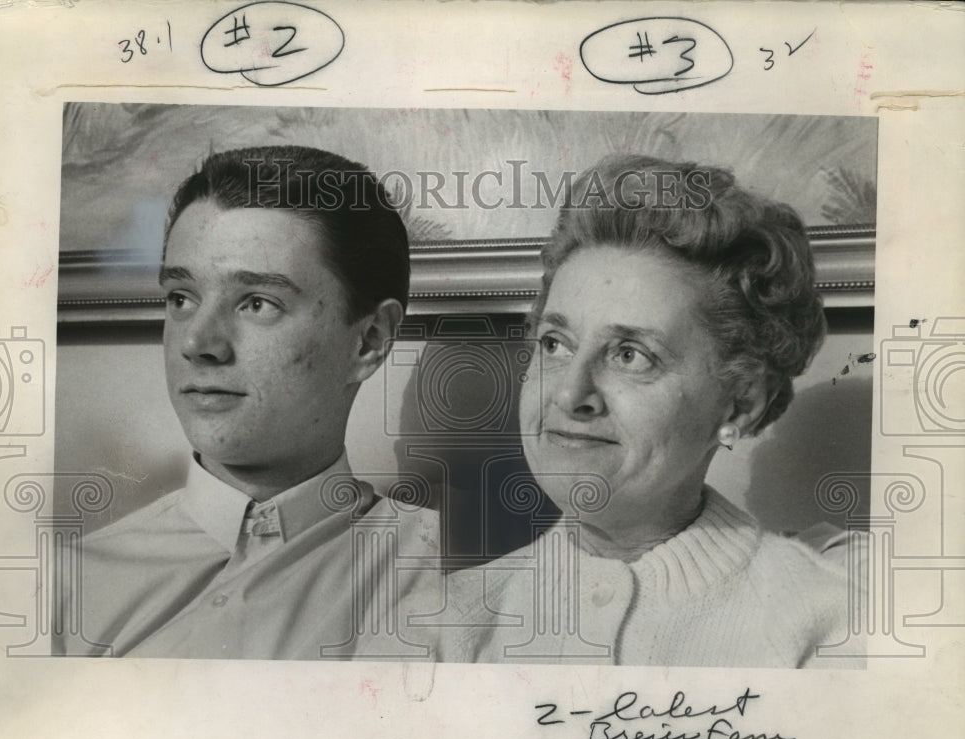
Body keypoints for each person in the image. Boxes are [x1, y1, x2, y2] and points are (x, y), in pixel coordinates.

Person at [402, 154, 862, 668]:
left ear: (741, 402)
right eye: (554, 343)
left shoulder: (833, 623)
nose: (569, 394)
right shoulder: (439, 627)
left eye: (630, 355)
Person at [55, 145, 439, 660]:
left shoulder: (450, 573)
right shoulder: (60, 589)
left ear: (369, 341)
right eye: (181, 298)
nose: (197, 343)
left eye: (257, 303)